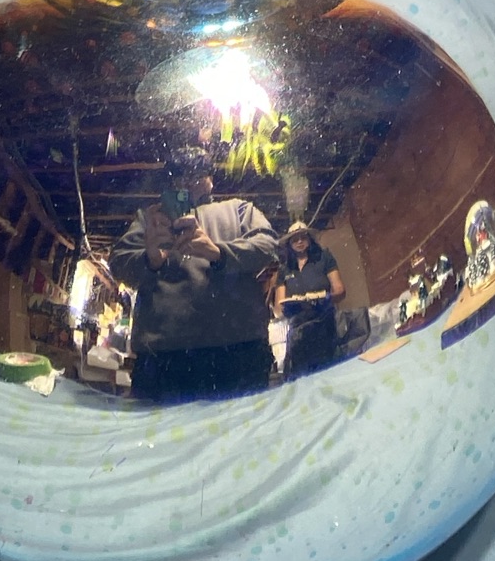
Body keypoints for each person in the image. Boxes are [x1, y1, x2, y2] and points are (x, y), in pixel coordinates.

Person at [113, 152, 278, 401]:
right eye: (180, 177)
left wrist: (218, 253)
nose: (188, 182)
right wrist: (150, 259)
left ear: (211, 180)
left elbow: (269, 246)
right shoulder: (151, 218)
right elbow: (118, 263)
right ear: (172, 183)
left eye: (197, 175)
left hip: (239, 352)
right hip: (163, 359)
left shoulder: (239, 209)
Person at [275, 224, 344, 377]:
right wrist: (289, 307)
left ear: (310, 239)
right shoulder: (284, 269)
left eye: (303, 237)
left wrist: (325, 299)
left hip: (324, 326)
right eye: (295, 239)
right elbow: (279, 308)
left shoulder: (323, 257)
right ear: (289, 244)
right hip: (298, 333)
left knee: (329, 372)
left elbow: (340, 290)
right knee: (301, 376)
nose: (299, 241)